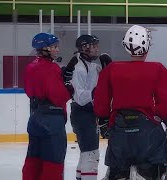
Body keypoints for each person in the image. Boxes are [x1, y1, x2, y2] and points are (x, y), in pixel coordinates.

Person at [93, 25, 167, 179]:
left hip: (119, 131)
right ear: (147, 47)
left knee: (118, 172)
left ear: (126, 46)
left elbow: (100, 100)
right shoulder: (158, 69)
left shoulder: (112, 69)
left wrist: (104, 121)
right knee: (151, 171)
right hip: (148, 134)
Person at [22, 32, 73, 180]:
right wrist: (69, 88)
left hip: (36, 117)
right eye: (54, 47)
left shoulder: (31, 67)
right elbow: (59, 97)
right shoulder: (51, 68)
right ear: (45, 49)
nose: (57, 50)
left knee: (34, 160)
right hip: (52, 121)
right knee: (53, 162)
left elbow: (29, 91)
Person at [70, 34, 111, 180]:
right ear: (84, 48)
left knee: (86, 153)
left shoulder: (93, 66)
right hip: (82, 113)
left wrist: (108, 71)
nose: (97, 48)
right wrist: (96, 93)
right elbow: (80, 98)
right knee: (90, 154)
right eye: (93, 45)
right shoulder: (79, 68)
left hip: (88, 113)